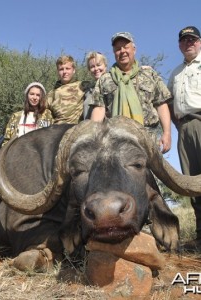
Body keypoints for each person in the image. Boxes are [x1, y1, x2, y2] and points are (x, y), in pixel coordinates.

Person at [90, 32, 172, 154]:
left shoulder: (149, 74)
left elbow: (161, 104)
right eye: (117, 49)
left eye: (126, 47)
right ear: (114, 53)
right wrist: (93, 139)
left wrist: (167, 133)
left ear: (134, 49)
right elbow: (99, 109)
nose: (122, 51)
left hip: (148, 140)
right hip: (116, 142)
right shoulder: (105, 79)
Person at [168, 26, 201, 251]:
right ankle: (200, 236)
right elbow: (168, 102)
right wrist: (177, 126)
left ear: (199, 42)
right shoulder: (175, 73)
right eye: (184, 40)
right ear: (180, 45)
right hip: (184, 129)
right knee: (192, 184)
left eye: (192, 39)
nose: (188, 43)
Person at [46, 55, 90, 124]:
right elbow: (41, 112)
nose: (64, 72)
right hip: (56, 131)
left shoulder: (82, 86)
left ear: (74, 70)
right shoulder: (51, 93)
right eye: (61, 69)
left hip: (76, 130)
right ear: (57, 71)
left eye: (67, 68)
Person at [83, 51, 108, 119]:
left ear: (105, 66)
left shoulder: (112, 84)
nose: (96, 69)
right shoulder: (87, 90)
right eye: (92, 66)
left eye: (98, 65)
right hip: (88, 128)